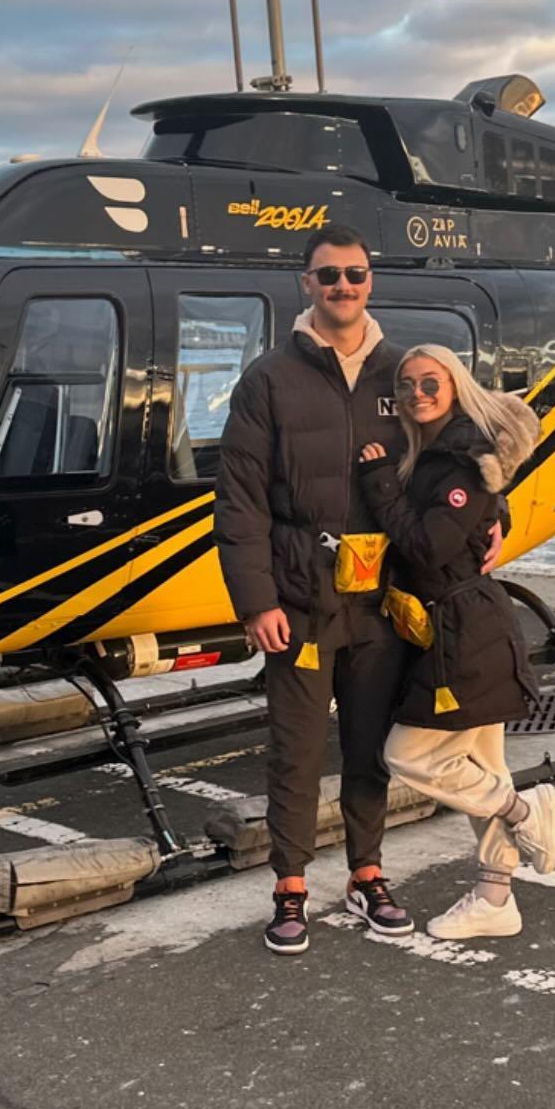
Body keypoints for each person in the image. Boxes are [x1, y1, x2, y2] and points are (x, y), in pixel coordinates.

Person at [214, 227, 419, 955]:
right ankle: (291, 885)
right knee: (295, 749)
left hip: (381, 599)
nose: (343, 286)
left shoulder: (406, 373)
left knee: (369, 747)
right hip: (300, 597)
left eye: (354, 274)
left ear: (371, 279)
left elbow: (463, 457)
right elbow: (240, 501)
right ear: (306, 284)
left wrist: (494, 519)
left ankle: (367, 872)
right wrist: (256, 600)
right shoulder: (268, 379)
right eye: (328, 275)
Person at [358, 345, 555, 941]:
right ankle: (495, 899)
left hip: (465, 632)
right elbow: (473, 517)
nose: (418, 393)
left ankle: (525, 811)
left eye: (431, 383)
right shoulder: (440, 455)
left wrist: (377, 486)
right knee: (483, 764)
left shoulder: (464, 459)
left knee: (409, 755)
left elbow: (427, 548)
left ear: (456, 387)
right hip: (457, 624)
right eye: (408, 385)